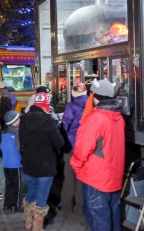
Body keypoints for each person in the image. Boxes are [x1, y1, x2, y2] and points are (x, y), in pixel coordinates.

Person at [70, 79, 125, 231]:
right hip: (113, 177)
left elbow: (82, 148)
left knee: (98, 221)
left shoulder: (95, 119)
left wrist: (75, 165)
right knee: (113, 219)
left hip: (96, 179)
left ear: (95, 96)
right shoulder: (118, 117)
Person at [19, 91, 65, 231]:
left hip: (28, 164)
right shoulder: (49, 121)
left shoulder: (24, 119)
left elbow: (22, 141)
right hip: (45, 165)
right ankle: (37, 227)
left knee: (31, 192)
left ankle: (28, 222)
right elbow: (60, 143)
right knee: (42, 197)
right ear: (45, 104)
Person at [60, 82, 88, 214]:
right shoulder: (91, 105)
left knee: (69, 177)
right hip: (85, 147)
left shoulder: (71, 106)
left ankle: (66, 206)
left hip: (71, 147)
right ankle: (80, 207)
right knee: (81, 178)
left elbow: (65, 126)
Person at [0, 110, 22, 213]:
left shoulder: (4, 131)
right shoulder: (17, 131)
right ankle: (15, 205)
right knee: (16, 185)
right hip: (16, 163)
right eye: (18, 119)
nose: (20, 120)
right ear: (15, 122)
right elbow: (18, 147)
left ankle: (7, 205)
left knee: (8, 184)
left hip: (6, 163)